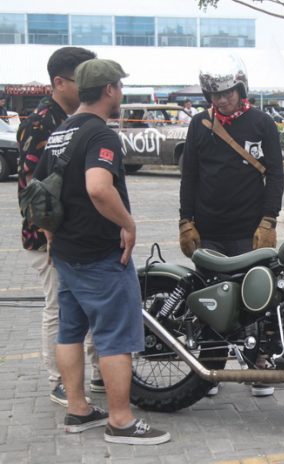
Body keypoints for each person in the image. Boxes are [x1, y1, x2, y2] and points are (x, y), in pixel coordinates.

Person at [33, 58, 169, 444]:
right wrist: (128, 224)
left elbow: (39, 192)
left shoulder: (60, 132)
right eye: (120, 87)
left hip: (67, 252)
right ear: (109, 89)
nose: (121, 93)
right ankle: (121, 421)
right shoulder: (99, 134)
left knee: (70, 331)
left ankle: (78, 409)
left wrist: (51, 237)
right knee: (115, 336)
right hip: (99, 254)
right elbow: (98, 187)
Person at [179, 56, 284, 398]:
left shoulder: (262, 123)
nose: (222, 100)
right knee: (212, 303)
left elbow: (276, 175)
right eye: (215, 95)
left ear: (241, 90)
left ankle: (258, 366)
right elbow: (189, 176)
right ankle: (212, 370)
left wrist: (269, 219)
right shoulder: (199, 125)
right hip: (209, 232)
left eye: (227, 93)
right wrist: (185, 220)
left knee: (256, 301)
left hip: (249, 232)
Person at [15, 47, 103, 407]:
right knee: (59, 309)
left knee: (90, 306)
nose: (88, 86)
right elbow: (34, 190)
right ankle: (59, 381)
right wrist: (50, 235)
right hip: (48, 238)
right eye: (81, 79)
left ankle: (99, 373)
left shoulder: (80, 118)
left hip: (80, 235)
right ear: (59, 82)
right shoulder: (40, 124)